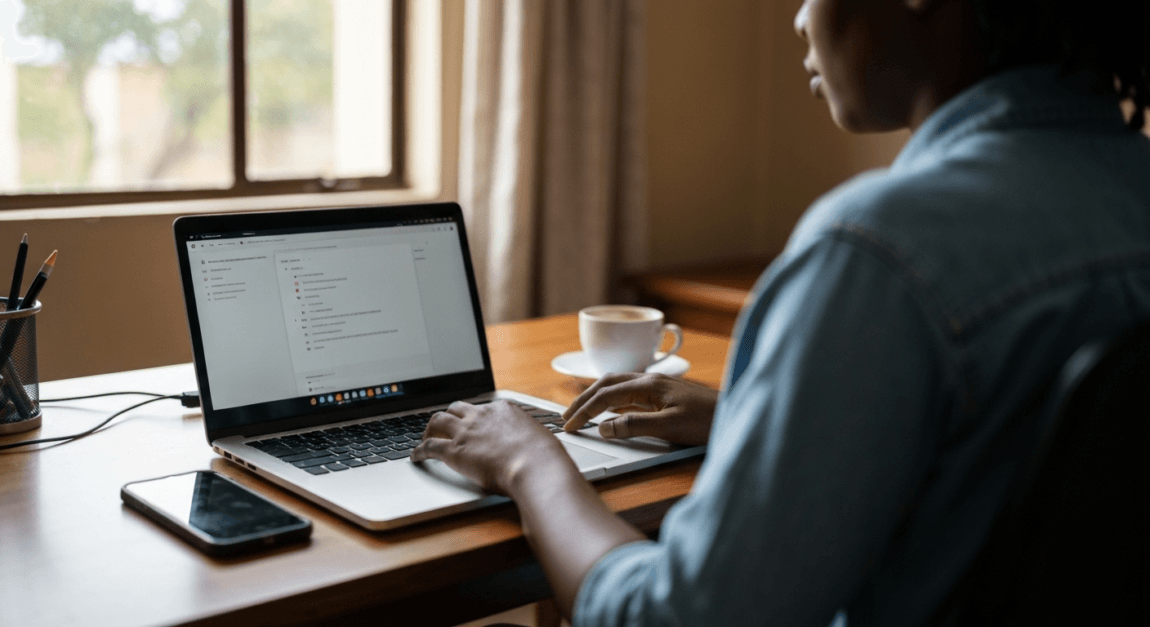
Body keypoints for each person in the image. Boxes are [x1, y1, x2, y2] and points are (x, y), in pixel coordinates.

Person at [412, 0, 1150, 624]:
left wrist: (529, 459)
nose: (798, 19)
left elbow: (679, 617)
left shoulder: (877, 251)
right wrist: (749, 413)